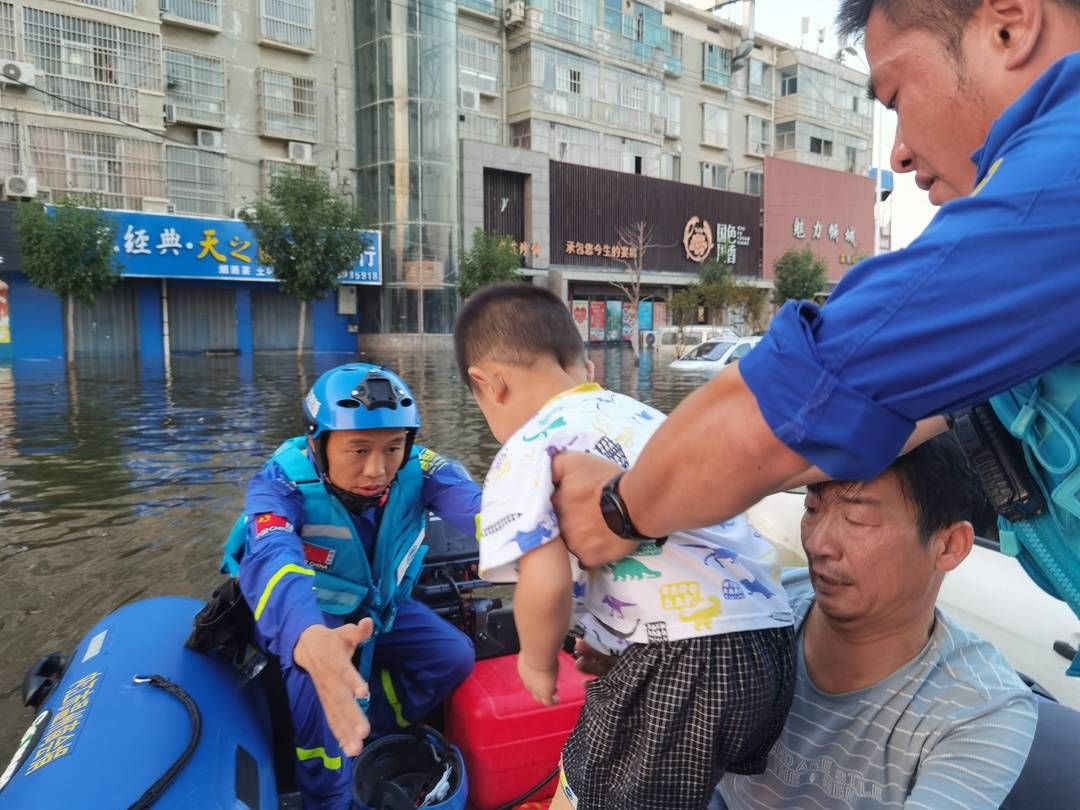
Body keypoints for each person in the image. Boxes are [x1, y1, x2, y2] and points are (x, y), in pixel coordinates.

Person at [549, 0, 1080, 586]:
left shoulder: (1060, 182)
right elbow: (834, 429)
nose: (899, 154)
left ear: (1011, 24)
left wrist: (618, 510)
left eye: (897, 96)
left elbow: (786, 405)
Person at [453, 283, 797, 810]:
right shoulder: (644, 418)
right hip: (769, 647)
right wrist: (616, 645)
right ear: (585, 366)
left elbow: (545, 583)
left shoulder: (527, 446)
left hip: (685, 659)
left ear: (489, 383)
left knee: (592, 791)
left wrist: (537, 661)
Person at [579, 434, 1038, 808]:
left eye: (857, 520)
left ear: (949, 546)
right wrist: (649, 677)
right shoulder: (749, 609)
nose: (819, 543)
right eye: (812, 509)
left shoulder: (980, 709)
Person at [220, 363, 480, 810]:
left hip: (377, 610)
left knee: (453, 656)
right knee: (320, 707)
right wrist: (308, 636)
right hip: (309, 617)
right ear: (317, 444)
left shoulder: (423, 469)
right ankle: (327, 798)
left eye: (393, 448)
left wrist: (542, 544)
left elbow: (482, 511)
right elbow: (271, 553)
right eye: (358, 450)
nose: (377, 469)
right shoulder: (280, 482)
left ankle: (374, 728)